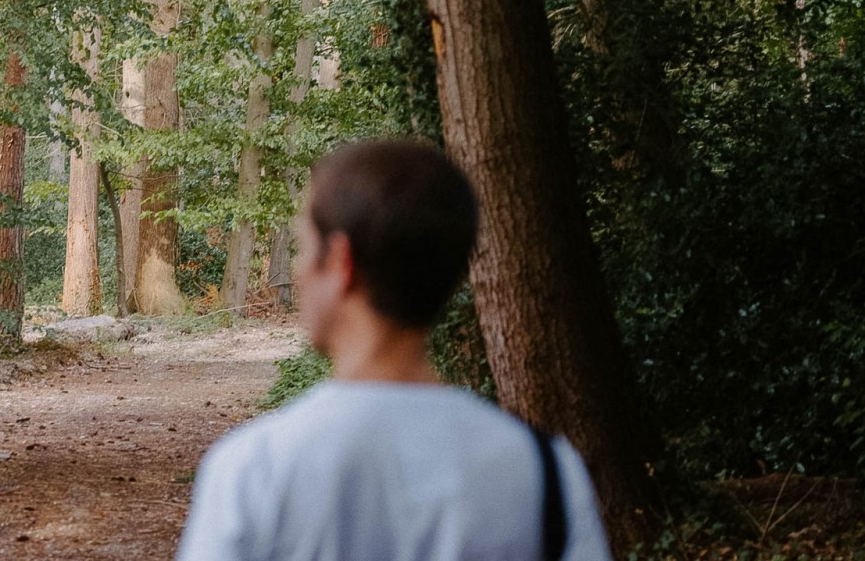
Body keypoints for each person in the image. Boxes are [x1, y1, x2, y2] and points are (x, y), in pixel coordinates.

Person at [176, 140, 612, 561]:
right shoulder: (544, 470)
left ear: (341, 263)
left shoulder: (254, 469)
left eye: (303, 250)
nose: (300, 273)